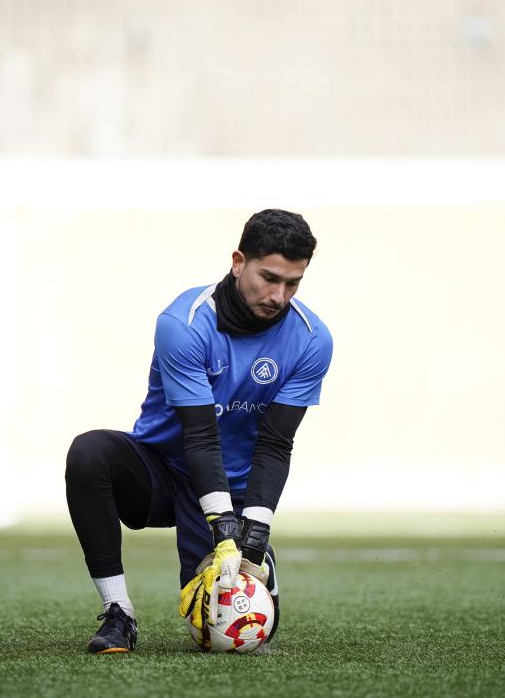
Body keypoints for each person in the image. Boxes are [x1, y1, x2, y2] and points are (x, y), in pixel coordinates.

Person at [64, 209, 333, 653]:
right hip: (164, 471)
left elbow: (275, 443)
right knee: (89, 453)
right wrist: (222, 526)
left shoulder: (312, 339)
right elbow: (200, 438)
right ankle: (119, 612)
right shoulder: (184, 323)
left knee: (222, 633)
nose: (279, 296)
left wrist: (254, 531)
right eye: (269, 278)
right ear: (238, 261)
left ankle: (258, 560)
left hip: (236, 483)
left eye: (293, 283)